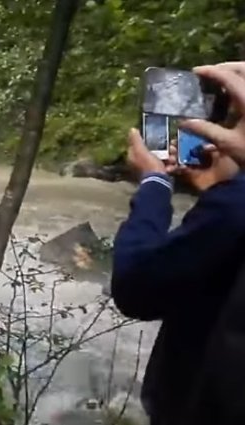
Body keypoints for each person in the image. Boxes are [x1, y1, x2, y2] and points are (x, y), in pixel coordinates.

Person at [111, 62, 245, 425]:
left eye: (233, 119)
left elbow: (137, 286)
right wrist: (219, 191)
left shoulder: (235, 207)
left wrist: (154, 183)